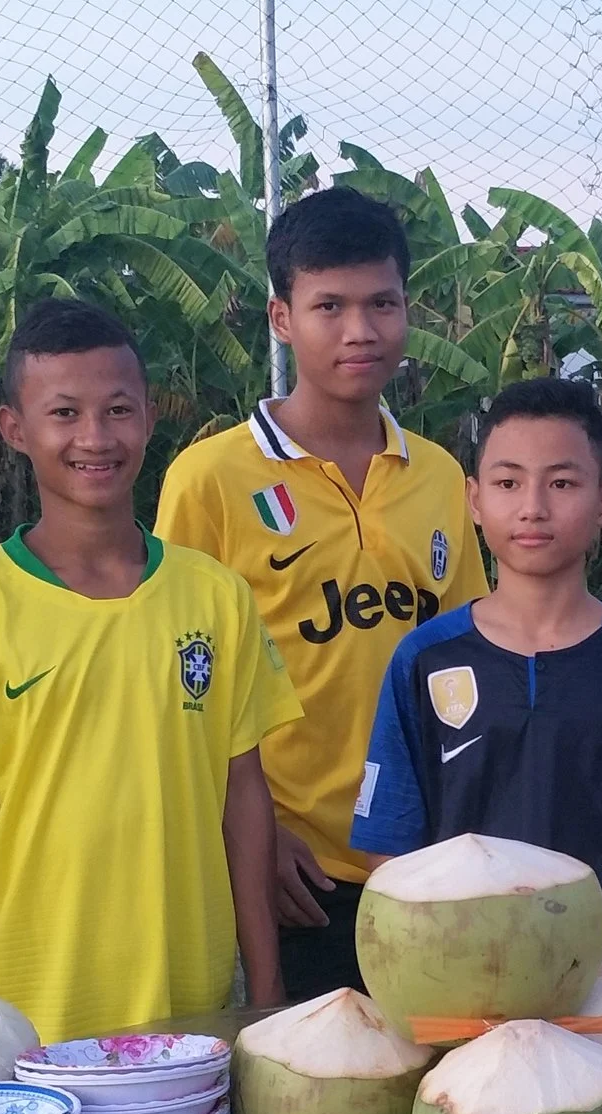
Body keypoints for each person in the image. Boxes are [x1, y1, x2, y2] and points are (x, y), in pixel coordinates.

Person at [0, 298, 298, 1041]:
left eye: (118, 410)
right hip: (25, 1022)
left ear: (148, 418)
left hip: (193, 1016)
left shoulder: (216, 596)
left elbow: (243, 796)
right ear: (15, 428)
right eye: (64, 414)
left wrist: (267, 989)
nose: (95, 437)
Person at [157, 185, 488, 999]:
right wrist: (256, 832)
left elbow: (467, 659)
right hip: (294, 871)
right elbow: (175, 683)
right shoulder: (210, 479)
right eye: (329, 306)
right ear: (281, 318)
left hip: (425, 860)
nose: (360, 330)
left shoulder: (439, 475)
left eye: (382, 303)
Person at [352, 378, 602, 977]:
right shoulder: (425, 659)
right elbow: (389, 841)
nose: (533, 507)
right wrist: (447, 961)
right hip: (462, 985)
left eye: (562, 483)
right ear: (474, 500)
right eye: (508, 483)